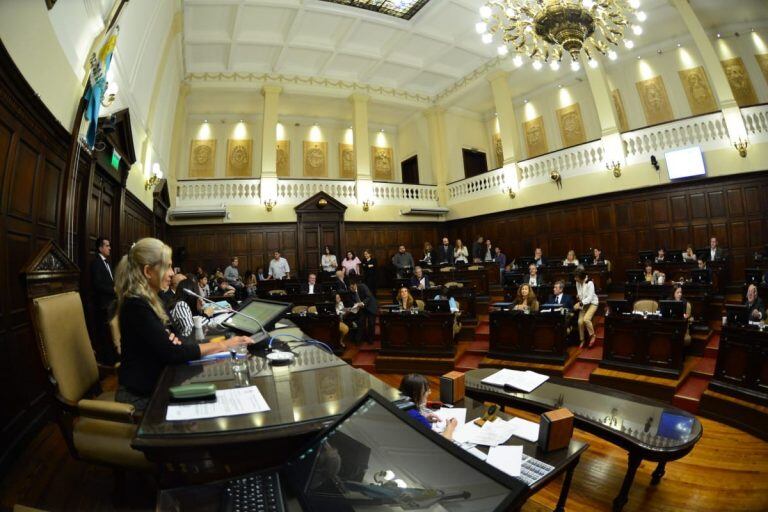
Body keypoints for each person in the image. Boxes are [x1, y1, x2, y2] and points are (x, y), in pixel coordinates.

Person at [114, 238, 250, 411]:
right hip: (140, 398)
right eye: (168, 267)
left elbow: (175, 338)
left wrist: (169, 341)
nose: (172, 273)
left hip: (157, 384)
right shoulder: (136, 304)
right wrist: (224, 345)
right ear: (148, 271)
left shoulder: (152, 299)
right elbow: (172, 351)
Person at [398, 374, 457, 440]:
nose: (430, 392)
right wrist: (450, 428)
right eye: (426, 390)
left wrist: (424, 418)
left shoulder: (400, 404)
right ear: (415, 394)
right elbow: (443, 442)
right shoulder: (416, 417)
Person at [90, 237, 118, 364]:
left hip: (112, 303)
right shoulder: (96, 263)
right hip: (103, 305)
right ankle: (108, 361)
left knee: (113, 332)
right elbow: (97, 284)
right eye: (107, 245)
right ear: (100, 248)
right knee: (105, 334)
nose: (110, 248)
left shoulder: (108, 262)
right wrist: (114, 290)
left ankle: (115, 356)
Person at [574, 268, 599, 348]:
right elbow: (580, 294)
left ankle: (592, 335)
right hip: (584, 304)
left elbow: (590, 298)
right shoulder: (577, 283)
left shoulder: (590, 283)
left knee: (586, 319)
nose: (575, 278)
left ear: (581, 277)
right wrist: (579, 298)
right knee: (580, 322)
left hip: (592, 303)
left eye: (576, 277)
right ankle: (582, 340)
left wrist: (580, 303)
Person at [349, 278, 377, 343]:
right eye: (349, 288)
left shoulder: (362, 286)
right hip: (362, 309)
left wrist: (362, 303)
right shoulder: (351, 292)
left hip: (370, 306)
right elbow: (352, 301)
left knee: (371, 323)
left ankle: (370, 339)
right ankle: (359, 340)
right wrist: (355, 305)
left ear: (355, 285)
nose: (350, 289)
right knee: (361, 322)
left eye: (351, 287)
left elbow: (368, 296)